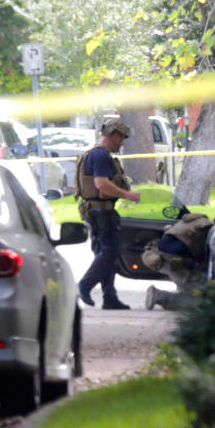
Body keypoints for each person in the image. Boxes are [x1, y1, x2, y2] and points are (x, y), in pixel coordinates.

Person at [76, 118, 141, 310]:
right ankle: (85, 285)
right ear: (113, 136)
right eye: (121, 139)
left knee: (105, 253)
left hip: (95, 211)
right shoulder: (101, 156)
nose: (122, 143)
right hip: (101, 212)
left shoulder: (94, 155)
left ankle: (109, 297)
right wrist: (128, 195)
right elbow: (102, 184)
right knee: (110, 252)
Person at [142, 212, 214, 310]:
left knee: (190, 286)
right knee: (202, 301)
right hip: (171, 261)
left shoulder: (200, 223)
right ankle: (159, 296)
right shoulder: (211, 232)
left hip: (159, 253)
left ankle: (181, 291)